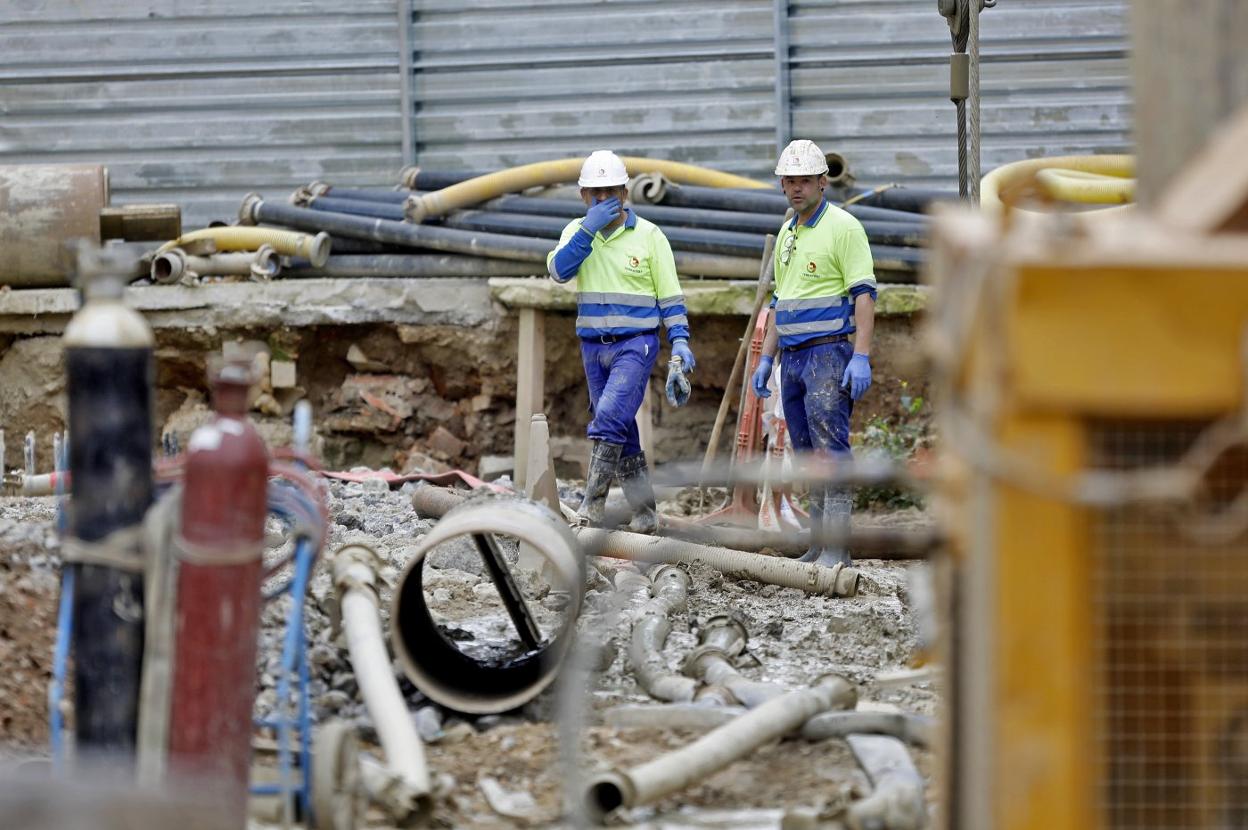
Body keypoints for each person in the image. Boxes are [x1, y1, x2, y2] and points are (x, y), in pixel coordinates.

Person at [546, 150, 696, 532]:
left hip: (636, 344)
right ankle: (645, 513)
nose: (603, 201)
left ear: (625, 193)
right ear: (583, 196)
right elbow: (559, 271)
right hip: (593, 347)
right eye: (595, 194)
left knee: (609, 417)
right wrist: (588, 230)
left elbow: (670, 296)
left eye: (610, 192)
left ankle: (592, 505)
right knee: (622, 428)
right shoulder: (575, 234)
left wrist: (679, 342)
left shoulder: (649, 237)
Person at [750, 139, 876, 567]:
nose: (797, 188)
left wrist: (860, 354)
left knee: (831, 453)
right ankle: (820, 545)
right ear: (782, 185)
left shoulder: (844, 228)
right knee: (806, 456)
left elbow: (863, 295)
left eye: (805, 180)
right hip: (794, 358)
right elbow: (779, 303)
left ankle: (837, 551)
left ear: (823, 182)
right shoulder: (789, 232)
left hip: (828, 355)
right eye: (790, 181)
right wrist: (768, 359)